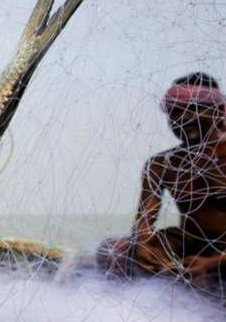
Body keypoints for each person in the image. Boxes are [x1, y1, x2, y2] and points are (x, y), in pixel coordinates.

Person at [97, 73, 226, 283]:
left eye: (193, 108)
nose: (182, 119)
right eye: (174, 111)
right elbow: (145, 222)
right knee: (113, 251)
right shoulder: (161, 164)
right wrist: (143, 248)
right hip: (189, 243)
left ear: (219, 111)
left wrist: (211, 264)